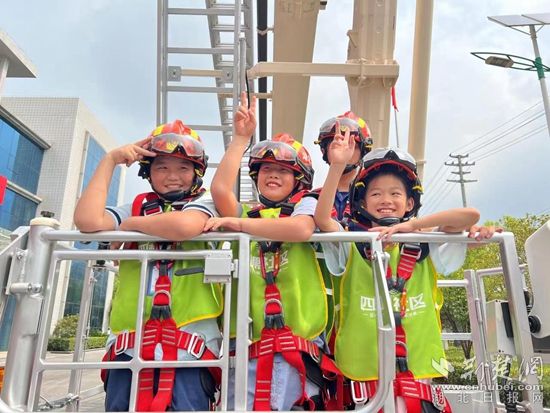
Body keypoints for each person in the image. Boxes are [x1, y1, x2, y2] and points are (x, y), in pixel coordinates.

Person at [314, 129, 480, 412]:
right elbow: (322, 219)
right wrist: (338, 167)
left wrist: (412, 226)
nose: (386, 199)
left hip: (417, 380)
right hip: (365, 386)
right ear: (362, 202)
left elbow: (470, 215)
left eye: (395, 193)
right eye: (376, 193)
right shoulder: (350, 243)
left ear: (410, 203)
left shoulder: (424, 243)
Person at [74, 120, 223, 412]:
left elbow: (185, 226)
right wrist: (111, 160)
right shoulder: (137, 205)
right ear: (148, 172)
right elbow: (87, 221)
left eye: (183, 167)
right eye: (162, 167)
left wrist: (129, 226)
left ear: (197, 172)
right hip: (129, 346)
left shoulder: (207, 204)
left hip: (191, 347)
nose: (172, 176)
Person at [205, 92, 340, 411]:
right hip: (247, 347)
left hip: (296, 346)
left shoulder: (306, 205)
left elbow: (301, 230)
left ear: (300, 180)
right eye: (266, 169)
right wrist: (241, 140)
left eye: (283, 170)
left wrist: (238, 226)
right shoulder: (247, 214)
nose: (273, 175)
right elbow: (220, 189)